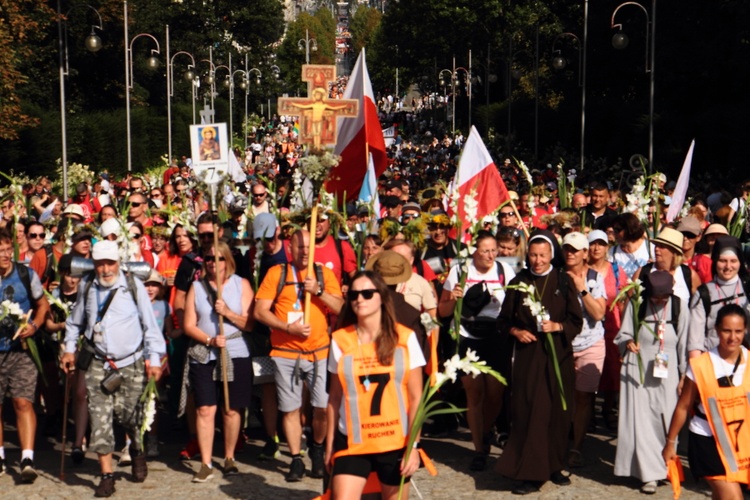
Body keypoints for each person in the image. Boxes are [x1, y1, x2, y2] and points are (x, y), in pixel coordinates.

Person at [61, 240, 165, 498]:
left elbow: (150, 326)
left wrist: (154, 359)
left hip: (131, 362)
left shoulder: (133, 286)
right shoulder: (86, 285)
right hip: (98, 362)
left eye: (110, 263)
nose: (105, 269)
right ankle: (107, 475)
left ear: (119, 263)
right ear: (93, 264)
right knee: (100, 419)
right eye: (100, 264)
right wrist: (70, 349)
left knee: (132, 417)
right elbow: (74, 324)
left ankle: (137, 450)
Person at [495, 230, 583, 494]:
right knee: (531, 412)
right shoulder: (519, 281)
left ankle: (554, 465)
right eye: (533, 255)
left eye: (543, 255)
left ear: (551, 255)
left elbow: (576, 321)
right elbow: (503, 321)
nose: (537, 260)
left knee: (557, 413)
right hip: (529, 359)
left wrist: (557, 326)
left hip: (558, 357)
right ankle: (530, 473)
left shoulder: (563, 280)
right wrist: (516, 332)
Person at [254, 229, 344, 481]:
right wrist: (286, 327)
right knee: (290, 408)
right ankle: (295, 458)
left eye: (308, 247)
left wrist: (319, 291)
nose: (304, 252)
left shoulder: (323, 275)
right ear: (289, 248)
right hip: (286, 353)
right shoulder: (277, 273)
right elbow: (260, 311)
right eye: (299, 247)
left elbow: (341, 307)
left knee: (322, 408)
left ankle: (317, 447)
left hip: (320, 352)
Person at [325, 271, 424, 499]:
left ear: (382, 297)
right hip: (352, 440)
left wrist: (414, 446)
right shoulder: (340, 339)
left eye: (367, 294)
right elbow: (334, 397)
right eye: (354, 295)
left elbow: (416, 397)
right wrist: (329, 445)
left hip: (394, 440)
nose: (360, 299)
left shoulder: (405, 338)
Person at [439, 230, 515, 471]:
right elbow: (442, 311)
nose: (491, 255)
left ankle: (484, 431)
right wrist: (453, 297)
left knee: (495, 394)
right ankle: (480, 448)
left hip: (496, 337)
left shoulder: (505, 271)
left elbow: (515, 304)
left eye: (494, 250)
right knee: (475, 394)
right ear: (474, 251)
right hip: (466, 335)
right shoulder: (460, 271)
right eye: (485, 251)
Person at [183, 241, 254, 482]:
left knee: (231, 409)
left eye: (219, 258)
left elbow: (250, 323)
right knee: (205, 408)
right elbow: (188, 325)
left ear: (228, 260)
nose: (214, 263)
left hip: (235, 351)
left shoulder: (241, 284)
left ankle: (230, 456)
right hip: (206, 353)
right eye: (209, 258)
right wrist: (209, 340)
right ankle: (205, 463)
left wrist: (228, 314)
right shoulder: (197, 287)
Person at [663, 304, 750, 499]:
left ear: (745, 330)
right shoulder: (701, 365)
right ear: (717, 330)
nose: (732, 337)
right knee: (733, 497)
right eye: (727, 330)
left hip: (740, 442)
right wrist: (670, 443)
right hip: (707, 440)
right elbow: (684, 406)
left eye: (738, 331)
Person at [613, 270, 689, 494]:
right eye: (655, 297)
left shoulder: (679, 306)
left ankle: (663, 464)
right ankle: (649, 474)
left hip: (669, 368)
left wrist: (684, 375)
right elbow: (623, 334)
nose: (658, 301)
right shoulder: (637, 303)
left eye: (662, 298)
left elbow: (684, 342)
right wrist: (628, 343)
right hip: (638, 367)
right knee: (643, 421)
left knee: (664, 417)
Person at [0, 230, 50, 481]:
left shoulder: (25, 274)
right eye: (0, 251)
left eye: (8, 249)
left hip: (22, 349)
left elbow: (42, 305)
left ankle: (27, 458)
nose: (5, 255)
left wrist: (35, 326)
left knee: (23, 401)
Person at [561, 232, 607, 468]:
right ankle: (561, 440)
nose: (570, 253)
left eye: (575, 249)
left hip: (590, 344)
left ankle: (577, 446)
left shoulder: (593, 277)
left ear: (584, 253)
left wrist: (581, 288)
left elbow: (599, 313)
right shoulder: (556, 275)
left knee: (583, 397)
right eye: (567, 248)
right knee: (563, 397)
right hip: (563, 344)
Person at [587, 230, 627, 430]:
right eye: (593, 244)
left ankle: (609, 409)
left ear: (607, 247)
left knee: (612, 370)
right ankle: (589, 411)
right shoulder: (582, 269)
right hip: (589, 327)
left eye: (601, 244)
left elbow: (624, 299)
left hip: (612, 326)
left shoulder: (617, 270)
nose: (596, 248)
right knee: (590, 370)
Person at [687, 235, 750, 358]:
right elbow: (695, 340)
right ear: (715, 261)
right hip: (712, 361)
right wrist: (698, 370)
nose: (728, 267)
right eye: (722, 261)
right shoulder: (704, 293)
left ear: (740, 263)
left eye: (733, 261)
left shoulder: (747, 288)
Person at [633, 227, 700, 302]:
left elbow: (697, 307)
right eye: (656, 245)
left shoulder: (689, 275)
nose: (656, 249)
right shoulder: (642, 273)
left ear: (674, 252)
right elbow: (629, 307)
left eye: (662, 246)